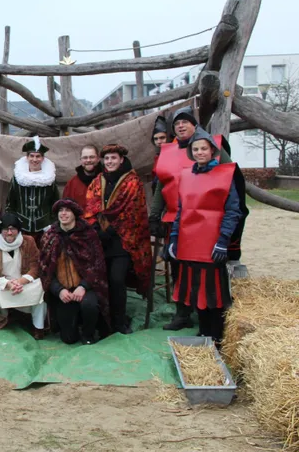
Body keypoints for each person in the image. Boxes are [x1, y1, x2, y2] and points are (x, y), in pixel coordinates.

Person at [150, 106, 243, 331]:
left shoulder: (215, 147)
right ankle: (183, 314)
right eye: (177, 123)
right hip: (179, 218)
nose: (181, 126)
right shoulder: (168, 151)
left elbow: (230, 181)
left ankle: (212, 322)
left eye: (185, 121)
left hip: (211, 225)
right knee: (182, 271)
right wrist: (154, 215)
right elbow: (162, 185)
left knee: (209, 275)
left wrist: (227, 237)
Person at [168, 129, 244, 343]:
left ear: (212, 151)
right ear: (191, 152)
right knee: (195, 289)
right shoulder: (185, 175)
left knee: (213, 292)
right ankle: (203, 333)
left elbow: (233, 211)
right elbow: (181, 211)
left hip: (212, 245)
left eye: (204, 148)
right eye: (195, 149)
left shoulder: (224, 175)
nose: (200, 152)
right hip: (189, 245)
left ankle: (216, 336)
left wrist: (223, 241)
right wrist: (174, 238)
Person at [84, 144, 152, 335]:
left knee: (117, 279)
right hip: (99, 240)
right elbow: (90, 207)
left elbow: (133, 212)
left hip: (122, 240)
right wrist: (97, 229)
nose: (110, 162)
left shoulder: (133, 182)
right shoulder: (98, 181)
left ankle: (119, 321)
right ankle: (103, 320)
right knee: (100, 279)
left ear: (121, 160)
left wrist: (111, 231)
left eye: (113, 158)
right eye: (107, 159)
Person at [40, 200, 110, 345]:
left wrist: (83, 286)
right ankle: (72, 325)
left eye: (67, 210)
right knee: (68, 339)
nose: (63, 214)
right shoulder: (50, 236)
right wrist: (58, 290)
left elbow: (97, 265)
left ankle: (88, 333)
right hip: (63, 290)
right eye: (61, 210)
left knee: (89, 305)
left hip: (85, 287)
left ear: (74, 214)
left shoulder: (88, 234)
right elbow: (45, 269)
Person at [0, 212, 44, 337]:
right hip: (4, 284)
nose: (9, 233)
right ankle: (4, 319)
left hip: (24, 283)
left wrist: (20, 282)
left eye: (13, 229)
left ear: (18, 230)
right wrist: (7, 284)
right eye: (6, 229)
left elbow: (35, 267)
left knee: (41, 288)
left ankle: (38, 327)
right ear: (0, 230)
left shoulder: (29, 241)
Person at [5, 136, 59, 246]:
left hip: (44, 228)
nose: (35, 159)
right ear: (27, 157)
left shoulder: (49, 179)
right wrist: (13, 224)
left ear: (43, 158)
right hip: (22, 227)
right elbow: (10, 203)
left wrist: (51, 224)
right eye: (32, 156)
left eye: (38, 156)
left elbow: (55, 203)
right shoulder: (17, 178)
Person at [62, 145, 102, 209]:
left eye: (92, 157)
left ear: (98, 159)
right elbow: (66, 208)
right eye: (85, 157)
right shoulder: (71, 184)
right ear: (81, 160)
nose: (88, 160)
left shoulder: (106, 180)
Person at [150, 115, 170, 194]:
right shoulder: (157, 157)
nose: (159, 141)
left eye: (162, 138)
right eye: (156, 139)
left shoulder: (173, 155)